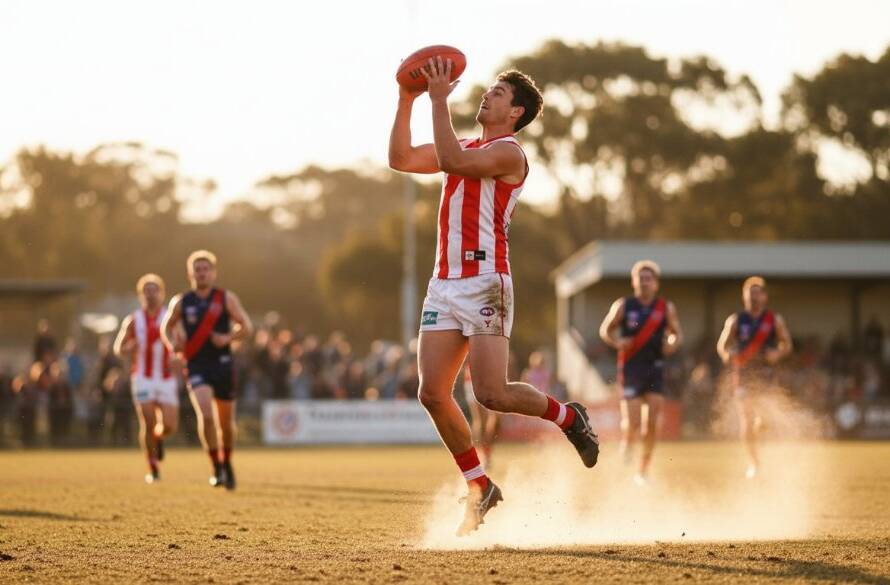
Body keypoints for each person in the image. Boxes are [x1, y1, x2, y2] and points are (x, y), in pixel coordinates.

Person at [388, 58, 599, 536]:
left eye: (498, 94)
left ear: (515, 112)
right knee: (432, 392)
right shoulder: (460, 142)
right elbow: (400, 159)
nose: (486, 95)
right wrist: (406, 100)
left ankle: (569, 416)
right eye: (488, 90)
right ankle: (480, 486)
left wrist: (438, 99)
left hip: (487, 279)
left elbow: (453, 163)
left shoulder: (510, 153)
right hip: (444, 282)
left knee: (491, 393)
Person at [162, 251, 253, 490]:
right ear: (190, 273)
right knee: (207, 415)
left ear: (213, 273)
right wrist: (174, 345)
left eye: (206, 269)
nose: (202, 273)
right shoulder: (182, 301)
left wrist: (227, 337)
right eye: (197, 269)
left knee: (226, 423)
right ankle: (216, 467)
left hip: (223, 364)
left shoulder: (225, 298)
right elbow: (166, 327)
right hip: (196, 364)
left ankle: (228, 462)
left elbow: (247, 326)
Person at [599, 260, 683, 485]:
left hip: (654, 369)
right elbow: (605, 330)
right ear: (634, 282)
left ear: (655, 284)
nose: (645, 282)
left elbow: (677, 334)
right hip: (630, 368)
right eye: (641, 278)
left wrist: (671, 344)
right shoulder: (624, 305)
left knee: (652, 423)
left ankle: (643, 470)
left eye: (649, 279)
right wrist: (618, 341)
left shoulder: (665, 308)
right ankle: (627, 442)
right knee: (633, 420)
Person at [716, 276, 792, 479]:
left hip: (766, 376)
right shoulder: (735, 320)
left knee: (764, 421)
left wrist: (777, 353)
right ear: (744, 296)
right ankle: (753, 463)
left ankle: (757, 446)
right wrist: (727, 355)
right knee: (747, 419)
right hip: (743, 376)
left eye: (758, 293)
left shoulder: (774, 320)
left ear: (765, 297)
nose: (754, 297)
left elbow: (787, 344)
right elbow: (722, 346)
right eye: (750, 293)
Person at [113, 274, 180, 483]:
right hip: (142, 377)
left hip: (166, 377)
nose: (151, 295)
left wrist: (180, 357)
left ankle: (158, 439)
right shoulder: (134, 320)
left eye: (155, 290)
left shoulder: (170, 319)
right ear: (141, 295)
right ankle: (152, 467)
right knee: (148, 420)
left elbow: (181, 342)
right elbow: (118, 348)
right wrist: (128, 348)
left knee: (169, 425)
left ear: (162, 293)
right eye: (147, 291)